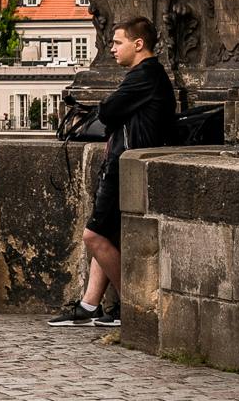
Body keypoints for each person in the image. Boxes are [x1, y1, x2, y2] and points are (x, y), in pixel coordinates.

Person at [51, 17, 176, 328]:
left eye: (118, 42)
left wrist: (107, 107)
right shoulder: (147, 75)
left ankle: (132, 304)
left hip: (126, 164)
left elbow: (107, 112)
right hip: (126, 161)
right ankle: (89, 304)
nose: (112, 49)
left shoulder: (144, 75)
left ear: (138, 44)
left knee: (93, 236)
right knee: (105, 235)